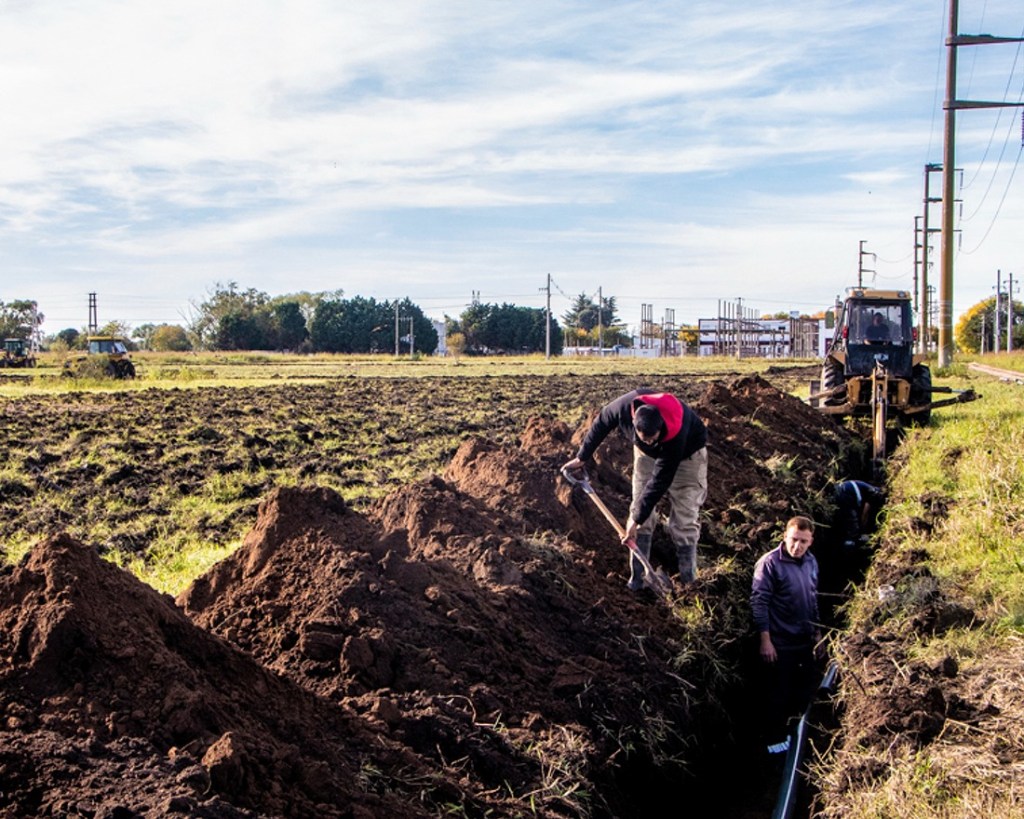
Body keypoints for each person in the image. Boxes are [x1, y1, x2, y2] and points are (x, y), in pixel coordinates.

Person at [562, 389, 708, 588]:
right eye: (644, 438)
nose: (649, 441)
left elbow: (659, 482)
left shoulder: (676, 430)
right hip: (646, 457)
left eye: (652, 439)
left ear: (661, 428)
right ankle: (639, 580)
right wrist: (582, 456)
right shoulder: (623, 407)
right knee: (639, 511)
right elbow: (602, 422)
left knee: (684, 518)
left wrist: (635, 519)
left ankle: (689, 583)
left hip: (687, 457)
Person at [750, 516, 823, 757]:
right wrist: (765, 639)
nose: (797, 546)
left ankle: (802, 737)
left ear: (811, 541)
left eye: (803, 541)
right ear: (785, 536)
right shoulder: (770, 563)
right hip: (779, 644)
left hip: (805, 640)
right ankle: (774, 744)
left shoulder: (811, 562)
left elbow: (812, 599)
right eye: (793, 540)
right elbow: (760, 602)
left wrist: (818, 633)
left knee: (804, 690)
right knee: (777, 695)